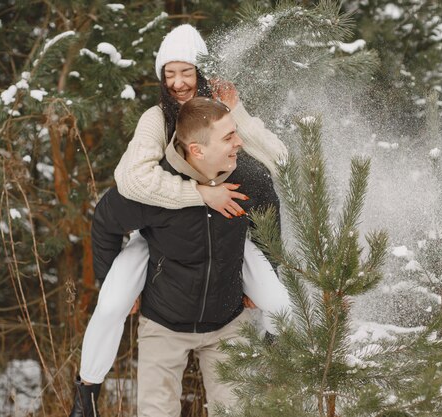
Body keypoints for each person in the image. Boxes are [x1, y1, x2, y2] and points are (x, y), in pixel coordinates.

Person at [69, 25, 290, 417]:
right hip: (161, 222)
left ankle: (275, 372)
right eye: (169, 74)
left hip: (224, 235)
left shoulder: (223, 113)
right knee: (112, 302)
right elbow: (131, 180)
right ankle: (87, 389)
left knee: (277, 301)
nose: (178, 83)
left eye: (186, 72)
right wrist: (200, 194)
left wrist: (236, 111)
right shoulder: (157, 117)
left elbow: (277, 160)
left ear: (201, 72)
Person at [98, 97, 280, 416]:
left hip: (229, 321)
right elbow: (104, 221)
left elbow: (269, 222)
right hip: (163, 323)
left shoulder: (250, 178)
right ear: (197, 149)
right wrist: (113, 285)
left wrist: (265, 280)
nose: (240, 142)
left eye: (235, 132)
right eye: (228, 137)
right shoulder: (154, 187)